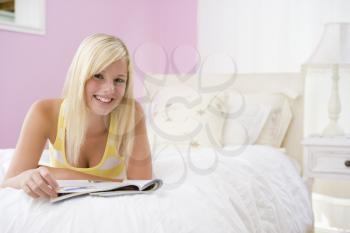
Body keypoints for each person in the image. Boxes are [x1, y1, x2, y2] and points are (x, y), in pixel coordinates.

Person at [0, 33, 152, 199]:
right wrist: (24, 177)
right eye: (98, 75)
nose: (110, 89)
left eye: (119, 80)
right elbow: (8, 182)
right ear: (80, 75)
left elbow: (141, 187)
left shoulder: (132, 113)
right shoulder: (43, 112)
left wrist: (58, 174)